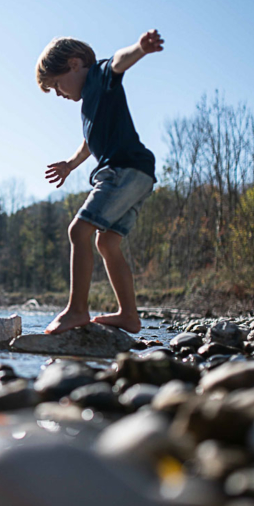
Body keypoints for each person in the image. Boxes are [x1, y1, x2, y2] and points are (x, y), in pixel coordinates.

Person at [36, 30, 163, 334]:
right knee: (106, 241)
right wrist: (70, 164)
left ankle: (77, 310)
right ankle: (129, 315)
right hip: (140, 173)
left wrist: (140, 48)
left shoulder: (99, 77)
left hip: (122, 169)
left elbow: (119, 61)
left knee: (79, 230)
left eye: (56, 85)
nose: (59, 94)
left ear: (75, 63)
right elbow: (89, 143)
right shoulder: (90, 104)